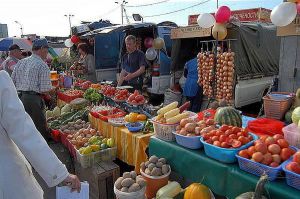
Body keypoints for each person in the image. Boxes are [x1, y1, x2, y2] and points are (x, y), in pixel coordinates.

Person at [0, 70, 81, 199]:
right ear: (43, 49)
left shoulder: (19, 65)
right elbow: (24, 132)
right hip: (7, 181)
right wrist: (60, 173)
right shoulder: (1, 80)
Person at [11, 38, 53, 141]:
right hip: (32, 100)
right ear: (42, 49)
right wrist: (53, 89)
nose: (47, 53)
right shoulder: (42, 65)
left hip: (19, 97)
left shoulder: (21, 62)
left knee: (25, 127)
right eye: (47, 50)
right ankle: (41, 153)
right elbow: (44, 90)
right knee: (39, 128)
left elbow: (12, 81)